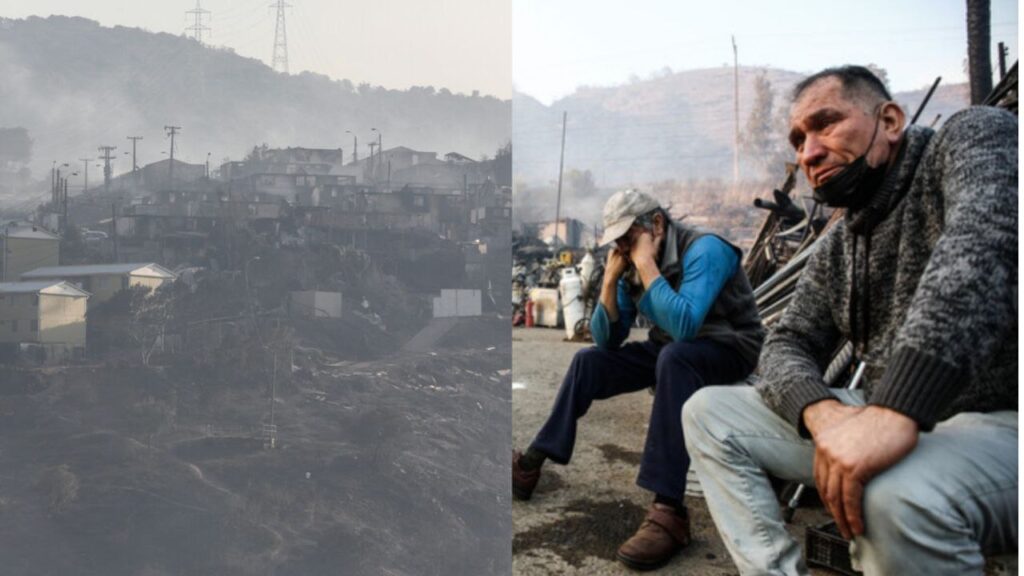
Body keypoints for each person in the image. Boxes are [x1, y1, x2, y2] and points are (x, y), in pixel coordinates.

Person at [683, 65, 1017, 575]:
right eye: (798, 139)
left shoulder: (973, 136)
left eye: (826, 124)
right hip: (883, 416)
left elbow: (985, 240)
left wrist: (895, 411)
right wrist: (821, 411)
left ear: (889, 120)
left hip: (1001, 419)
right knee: (708, 411)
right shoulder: (842, 241)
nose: (808, 153)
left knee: (892, 497)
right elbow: (786, 342)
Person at [513, 188, 765, 571]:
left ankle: (669, 512)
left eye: (628, 238)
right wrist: (610, 283)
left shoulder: (705, 249)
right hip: (671, 348)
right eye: (617, 242)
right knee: (589, 361)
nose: (623, 248)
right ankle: (532, 460)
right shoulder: (630, 261)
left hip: (728, 347)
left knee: (675, 358)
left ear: (657, 225)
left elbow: (684, 325)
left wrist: (646, 266)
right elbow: (607, 339)